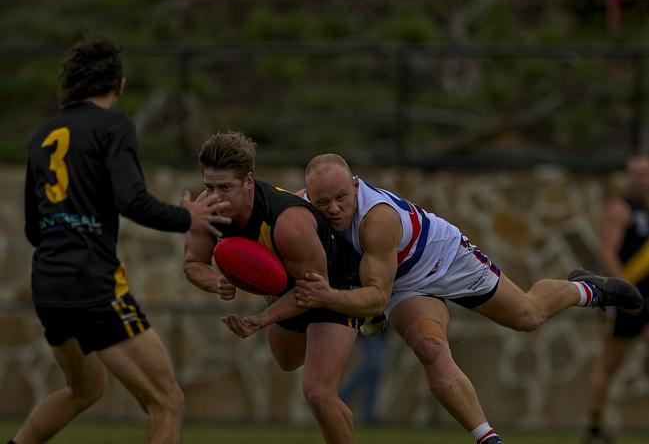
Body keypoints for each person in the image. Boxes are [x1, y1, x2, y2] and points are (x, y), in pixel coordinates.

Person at [293, 153, 645, 444]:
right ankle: (488, 438)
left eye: (342, 198)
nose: (335, 209)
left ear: (356, 185)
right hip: (402, 283)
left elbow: (374, 299)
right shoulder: (299, 213)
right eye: (323, 203)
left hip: (444, 258)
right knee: (430, 347)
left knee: (527, 316)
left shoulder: (378, 220)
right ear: (308, 196)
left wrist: (330, 296)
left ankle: (587, 289)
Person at [13, 36, 228, 444]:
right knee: (167, 401)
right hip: (93, 284)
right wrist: (189, 217)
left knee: (86, 390)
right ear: (120, 85)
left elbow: (32, 228)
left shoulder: (42, 135)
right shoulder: (115, 126)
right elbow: (132, 200)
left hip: (49, 285)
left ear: (71, 86)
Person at [183, 131, 377, 444]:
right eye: (209, 187)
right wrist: (217, 282)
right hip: (290, 287)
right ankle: (339, 415)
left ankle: (368, 316)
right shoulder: (208, 213)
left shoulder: (288, 221)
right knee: (287, 362)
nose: (215, 196)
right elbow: (193, 263)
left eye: (225, 187)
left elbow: (313, 291)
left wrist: (261, 319)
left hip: (333, 283)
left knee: (317, 392)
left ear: (248, 181)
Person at [582, 154, 649, 444]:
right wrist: (625, 289)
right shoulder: (621, 210)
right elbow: (607, 253)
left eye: (646, 174)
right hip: (625, 297)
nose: (642, 180)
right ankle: (595, 428)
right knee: (610, 363)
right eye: (636, 174)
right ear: (628, 177)